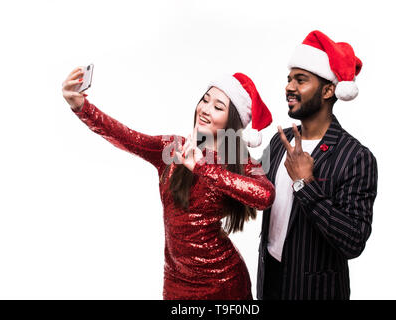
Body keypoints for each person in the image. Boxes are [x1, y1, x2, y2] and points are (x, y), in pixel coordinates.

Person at [62, 69, 275, 300]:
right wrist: (81, 107)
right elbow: (127, 137)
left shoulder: (239, 160)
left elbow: (265, 196)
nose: (205, 109)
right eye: (205, 100)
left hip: (223, 282)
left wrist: (204, 168)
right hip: (176, 280)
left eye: (218, 107)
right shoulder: (172, 149)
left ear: (231, 121)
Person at [257, 30, 378, 300]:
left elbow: (354, 241)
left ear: (328, 90)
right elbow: (253, 186)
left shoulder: (356, 157)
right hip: (269, 281)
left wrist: (305, 184)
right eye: (289, 79)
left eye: (301, 80)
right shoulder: (281, 141)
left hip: (314, 290)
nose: (289, 87)